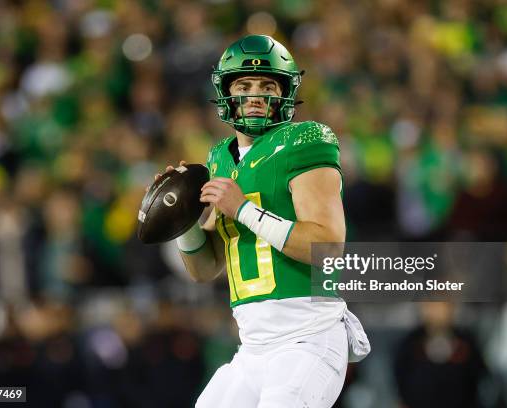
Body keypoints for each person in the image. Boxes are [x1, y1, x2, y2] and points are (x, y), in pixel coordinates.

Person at [154, 35, 370, 408]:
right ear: (227, 94)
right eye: (244, 85)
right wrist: (183, 219)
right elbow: (205, 269)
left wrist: (243, 211)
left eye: (267, 85)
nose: (255, 94)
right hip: (253, 349)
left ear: (285, 93)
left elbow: (329, 247)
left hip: (308, 338)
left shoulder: (304, 140)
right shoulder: (220, 157)